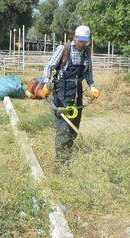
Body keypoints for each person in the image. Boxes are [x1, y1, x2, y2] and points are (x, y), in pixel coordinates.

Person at [39, 25, 100, 163]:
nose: (83, 44)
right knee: (63, 129)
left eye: (85, 41)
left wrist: (92, 86)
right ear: (75, 38)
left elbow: (88, 72)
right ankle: (60, 162)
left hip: (77, 93)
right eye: (81, 41)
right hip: (62, 92)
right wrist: (46, 83)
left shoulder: (86, 53)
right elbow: (49, 66)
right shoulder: (64, 49)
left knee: (74, 128)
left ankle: (68, 155)